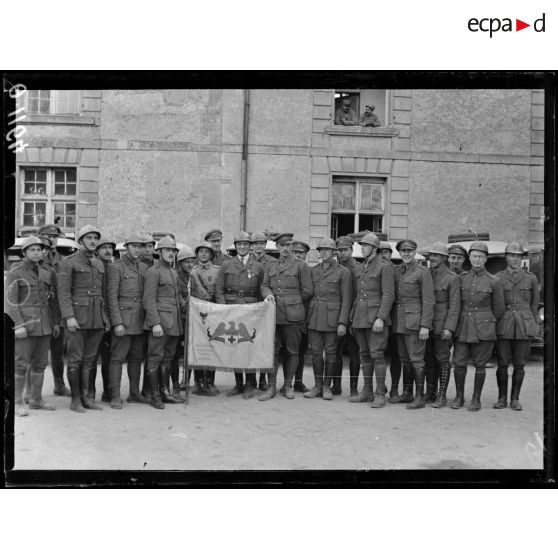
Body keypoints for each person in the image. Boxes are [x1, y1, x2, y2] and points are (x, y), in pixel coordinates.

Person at [57, 225, 110, 413]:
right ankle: (75, 400)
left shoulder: (98, 263)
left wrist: (105, 319)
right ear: (80, 241)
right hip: (77, 318)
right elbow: (63, 294)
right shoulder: (68, 262)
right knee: (75, 360)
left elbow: (102, 294)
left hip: (96, 318)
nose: (93, 241)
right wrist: (69, 316)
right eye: (89, 238)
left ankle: (86, 397)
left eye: (96, 238)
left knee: (89, 360)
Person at [215, 232, 274, 399]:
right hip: (231, 307)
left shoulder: (258, 266)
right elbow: (219, 288)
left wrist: (267, 297)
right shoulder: (226, 265)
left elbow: (262, 287)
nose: (242, 247)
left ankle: (250, 384)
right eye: (239, 244)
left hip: (250, 309)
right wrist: (222, 308)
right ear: (235, 246)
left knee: (248, 345)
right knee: (234, 345)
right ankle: (238, 383)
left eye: (245, 244)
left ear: (250, 246)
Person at [5, 236, 57, 416]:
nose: (37, 253)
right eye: (33, 250)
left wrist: (55, 323)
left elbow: (52, 300)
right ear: (24, 252)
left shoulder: (46, 272)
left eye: (39, 249)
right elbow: (10, 302)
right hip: (25, 325)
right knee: (20, 365)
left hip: (44, 325)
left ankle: (36, 399)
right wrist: (18, 325)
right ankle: (18, 402)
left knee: (40, 364)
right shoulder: (16, 272)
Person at [259, 233, 313, 401]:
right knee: (272, 351)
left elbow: (308, 290)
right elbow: (265, 285)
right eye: (282, 246)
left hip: (293, 315)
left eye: (288, 245)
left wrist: (291, 301)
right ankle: (271, 388)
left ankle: (288, 386)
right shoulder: (270, 265)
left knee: (292, 350)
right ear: (277, 247)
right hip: (273, 315)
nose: (285, 249)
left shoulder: (301, 266)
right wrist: (268, 295)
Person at [452, 241, 500, 412]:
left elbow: (498, 309)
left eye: (480, 256)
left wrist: (486, 322)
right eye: (474, 256)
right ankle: (459, 396)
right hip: (463, 326)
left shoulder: (493, 281)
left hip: (483, 328)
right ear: (469, 258)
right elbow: (456, 304)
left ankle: (476, 399)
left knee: (480, 364)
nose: (477, 259)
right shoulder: (461, 279)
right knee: (459, 363)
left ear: (486, 259)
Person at [493, 242, 540, 411]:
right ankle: (501, 398)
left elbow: (534, 305)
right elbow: (496, 304)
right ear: (506, 257)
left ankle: (514, 399)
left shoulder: (531, 278)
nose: (515, 259)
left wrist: (533, 326)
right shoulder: (497, 278)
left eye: (518, 256)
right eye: (512, 255)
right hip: (504, 325)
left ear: (522, 258)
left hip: (524, 325)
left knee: (520, 364)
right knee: (502, 363)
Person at [349, 233, 395, 407]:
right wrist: (353, 317)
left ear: (375, 249)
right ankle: (367, 391)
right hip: (360, 317)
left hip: (376, 318)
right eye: (361, 245)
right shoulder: (361, 267)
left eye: (366, 246)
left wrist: (381, 318)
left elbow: (388, 294)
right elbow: (358, 295)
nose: (362, 248)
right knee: (364, 354)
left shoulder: (385, 267)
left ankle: (380, 394)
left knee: (377, 355)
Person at [304, 238, 351, 400]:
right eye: (321, 249)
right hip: (315, 317)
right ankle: (317, 386)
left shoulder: (343, 272)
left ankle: (326, 387)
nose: (323, 252)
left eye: (327, 249)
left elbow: (346, 300)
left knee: (331, 353)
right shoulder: (313, 270)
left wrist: (343, 322)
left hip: (333, 318)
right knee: (316, 353)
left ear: (334, 252)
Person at [142, 236, 186, 409]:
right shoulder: (154, 272)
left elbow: (176, 298)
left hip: (173, 323)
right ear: (159, 252)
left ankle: (165, 392)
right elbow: (148, 300)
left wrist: (186, 304)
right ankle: (154, 396)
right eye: (167, 250)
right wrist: (155, 323)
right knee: (155, 358)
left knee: (167, 358)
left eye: (173, 251)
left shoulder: (173, 272)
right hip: (160, 324)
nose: (171, 253)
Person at [106, 233, 149, 408]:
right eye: (134, 246)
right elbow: (112, 298)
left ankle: (134, 393)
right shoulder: (117, 267)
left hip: (139, 320)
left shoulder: (144, 268)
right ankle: (115, 396)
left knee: (136, 358)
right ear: (126, 247)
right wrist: (117, 323)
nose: (137, 250)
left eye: (140, 246)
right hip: (123, 320)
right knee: (117, 358)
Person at [392, 239, 434, 409]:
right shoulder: (397, 271)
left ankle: (419, 397)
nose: (407, 254)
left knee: (417, 360)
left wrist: (425, 325)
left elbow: (429, 300)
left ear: (415, 252)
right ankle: (407, 393)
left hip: (415, 323)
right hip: (400, 321)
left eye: (410, 251)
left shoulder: (423, 272)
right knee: (405, 359)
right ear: (399, 253)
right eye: (403, 251)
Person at [425, 242, 461, 408]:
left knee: (443, 360)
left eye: (437, 255)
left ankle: (442, 395)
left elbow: (454, 306)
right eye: (431, 255)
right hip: (427, 325)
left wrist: (449, 328)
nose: (432, 258)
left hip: (442, 326)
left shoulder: (451, 278)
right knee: (428, 359)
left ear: (444, 258)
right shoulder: (426, 274)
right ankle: (430, 392)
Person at [38, 224, 70, 396]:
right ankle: (32, 392)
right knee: (37, 356)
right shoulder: (34, 256)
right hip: (40, 312)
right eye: (48, 235)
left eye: (54, 236)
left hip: (56, 310)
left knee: (58, 353)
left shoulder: (61, 259)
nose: (52, 239)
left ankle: (59, 385)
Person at [189, 241, 221, 395]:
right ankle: (198, 382)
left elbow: (219, 291)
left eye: (206, 252)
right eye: (201, 251)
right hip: (196, 315)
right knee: (197, 348)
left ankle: (210, 382)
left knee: (211, 347)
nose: (203, 254)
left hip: (212, 314)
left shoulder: (218, 271)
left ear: (211, 255)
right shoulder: (191, 271)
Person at [88, 236, 116, 403]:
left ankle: (108, 391)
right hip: (95, 318)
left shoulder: (113, 267)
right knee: (91, 357)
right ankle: (90, 391)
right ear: (96, 251)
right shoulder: (93, 266)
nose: (108, 251)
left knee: (110, 357)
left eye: (110, 248)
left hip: (111, 319)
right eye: (103, 247)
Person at [334, 236, 361, 396]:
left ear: (351, 250)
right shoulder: (334, 268)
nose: (342, 253)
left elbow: (358, 296)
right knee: (335, 352)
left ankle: (353, 388)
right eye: (339, 250)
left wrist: (351, 319)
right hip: (336, 316)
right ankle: (336, 385)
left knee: (354, 353)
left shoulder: (358, 269)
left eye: (345, 250)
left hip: (353, 317)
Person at [250, 231, 276, 390]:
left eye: (262, 243)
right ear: (252, 245)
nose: (259, 246)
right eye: (256, 243)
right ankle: (250, 380)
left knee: (266, 344)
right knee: (249, 343)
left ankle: (263, 379)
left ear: (265, 245)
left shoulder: (272, 262)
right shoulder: (247, 260)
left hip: (266, 307)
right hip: (251, 306)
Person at [379, 240, 402, 402]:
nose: (384, 255)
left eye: (386, 252)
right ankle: (380, 387)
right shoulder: (374, 270)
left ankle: (394, 388)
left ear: (391, 254)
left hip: (396, 319)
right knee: (378, 355)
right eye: (381, 252)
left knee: (396, 356)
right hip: (379, 318)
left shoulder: (398, 270)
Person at [172, 245, 197, 394]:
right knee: (175, 352)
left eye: (191, 262)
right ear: (180, 263)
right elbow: (176, 295)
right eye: (186, 262)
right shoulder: (175, 276)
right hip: (178, 318)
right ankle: (175, 383)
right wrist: (184, 303)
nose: (189, 264)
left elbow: (200, 292)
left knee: (190, 350)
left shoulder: (193, 276)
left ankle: (186, 380)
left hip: (191, 319)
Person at [288, 239, 312, 393]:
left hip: (305, 315)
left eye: (301, 253)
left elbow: (309, 292)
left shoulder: (309, 270)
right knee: (288, 350)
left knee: (301, 351)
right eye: (295, 252)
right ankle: (286, 382)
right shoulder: (288, 269)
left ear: (305, 255)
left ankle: (298, 381)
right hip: (288, 315)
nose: (298, 255)